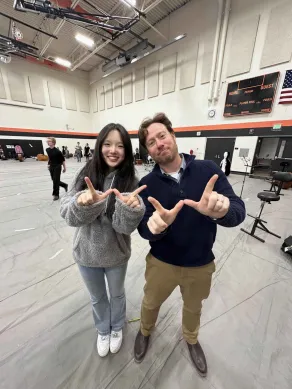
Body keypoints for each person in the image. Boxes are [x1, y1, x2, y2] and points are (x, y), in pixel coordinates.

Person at [133, 113, 246, 376]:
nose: (158, 143)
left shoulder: (207, 170)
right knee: (150, 302)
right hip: (161, 263)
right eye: (151, 142)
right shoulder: (146, 184)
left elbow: (238, 211)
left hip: (200, 263)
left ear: (173, 135)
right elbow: (142, 228)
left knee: (194, 307)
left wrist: (220, 211)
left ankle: (191, 339)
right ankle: (145, 330)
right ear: (148, 151)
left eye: (162, 135)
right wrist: (154, 228)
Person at [60, 123, 146, 358]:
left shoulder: (130, 180)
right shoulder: (85, 174)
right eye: (107, 144)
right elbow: (68, 214)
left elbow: (123, 227)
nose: (113, 150)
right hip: (86, 254)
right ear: (99, 146)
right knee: (97, 297)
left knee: (117, 295)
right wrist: (84, 202)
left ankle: (117, 327)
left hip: (116, 255)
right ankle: (103, 330)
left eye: (120, 145)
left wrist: (132, 210)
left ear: (127, 150)